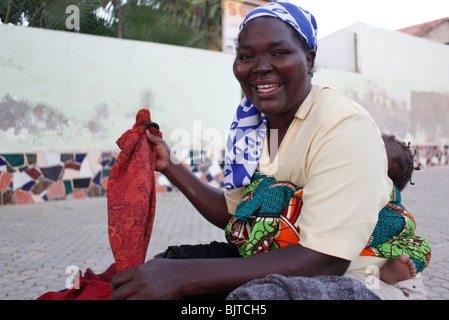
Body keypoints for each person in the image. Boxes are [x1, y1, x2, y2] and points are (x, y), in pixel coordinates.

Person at [110, 2, 427, 300]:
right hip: (277, 261)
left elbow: (324, 259)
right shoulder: (250, 128)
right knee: (156, 272)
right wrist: (171, 165)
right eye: (247, 56)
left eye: (279, 52)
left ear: (310, 59)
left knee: (251, 300)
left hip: (356, 279)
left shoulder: (341, 125)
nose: (260, 68)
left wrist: (186, 276)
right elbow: (236, 217)